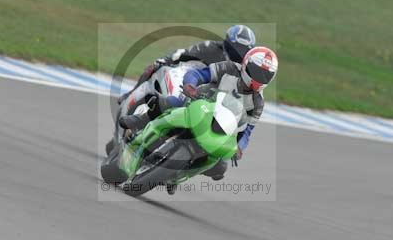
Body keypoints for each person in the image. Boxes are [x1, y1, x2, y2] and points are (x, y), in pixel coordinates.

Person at [120, 46, 279, 191]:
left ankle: (177, 176)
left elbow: (248, 130)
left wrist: (240, 147)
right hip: (199, 102)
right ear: (246, 64)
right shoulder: (229, 68)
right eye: (257, 72)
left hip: (220, 127)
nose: (260, 78)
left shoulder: (258, 102)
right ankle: (139, 119)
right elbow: (199, 74)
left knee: (220, 167)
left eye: (266, 75)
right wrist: (191, 85)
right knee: (170, 103)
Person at [117, 25, 256, 105]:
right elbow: (182, 53)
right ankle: (130, 95)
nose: (238, 53)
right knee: (153, 69)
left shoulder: (243, 67)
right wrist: (163, 61)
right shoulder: (211, 48)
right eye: (236, 47)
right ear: (228, 43)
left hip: (213, 94)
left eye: (243, 51)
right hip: (189, 79)